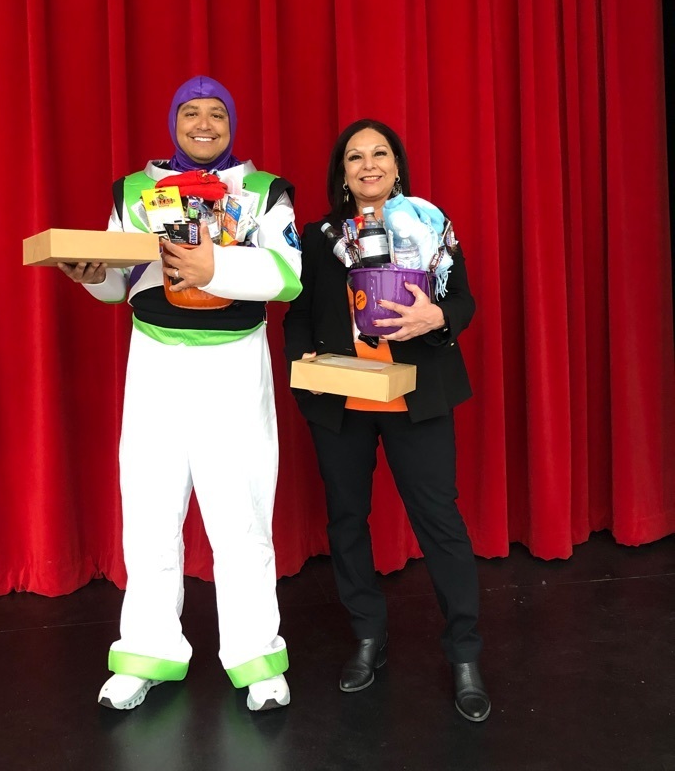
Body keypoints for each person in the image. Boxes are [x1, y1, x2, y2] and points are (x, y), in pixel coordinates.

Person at [58, 75, 302, 713]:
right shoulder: (134, 192)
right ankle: (148, 652)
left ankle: (256, 658)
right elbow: (120, 284)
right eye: (190, 112)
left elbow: (288, 274)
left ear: (231, 124)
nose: (203, 124)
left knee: (241, 514)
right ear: (174, 123)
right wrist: (92, 276)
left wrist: (213, 268)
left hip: (234, 363)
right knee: (149, 509)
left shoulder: (264, 191)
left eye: (216, 113)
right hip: (156, 363)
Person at [283, 119, 490, 722]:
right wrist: (304, 366)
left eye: (380, 154)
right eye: (355, 157)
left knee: (440, 523)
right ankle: (369, 636)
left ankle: (465, 654)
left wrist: (437, 318)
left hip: (416, 396)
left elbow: (464, 300)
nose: (368, 164)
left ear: (397, 166)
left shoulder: (429, 225)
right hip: (341, 401)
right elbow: (298, 315)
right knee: (347, 521)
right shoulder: (320, 237)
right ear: (343, 173)